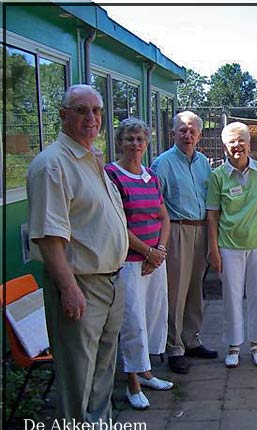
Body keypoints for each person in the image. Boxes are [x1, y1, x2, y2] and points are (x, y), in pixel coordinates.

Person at [26, 84, 136, 430]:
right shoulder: (52, 164)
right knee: (78, 371)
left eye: (97, 111)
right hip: (81, 284)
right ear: (63, 115)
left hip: (110, 281)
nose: (91, 118)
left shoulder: (90, 159)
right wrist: (69, 289)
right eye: (81, 110)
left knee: (104, 364)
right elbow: (49, 237)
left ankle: (100, 429)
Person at [105, 118, 173, 410]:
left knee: (154, 316)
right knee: (132, 321)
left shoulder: (150, 176)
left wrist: (159, 251)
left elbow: (164, 217)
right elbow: (117, 223)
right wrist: (147, 252)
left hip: (154, 261)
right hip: (129, 262)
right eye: (129, 138)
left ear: (147, 144)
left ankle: (146, 373)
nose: (135, 144)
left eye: (140, 139)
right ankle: (132, 383)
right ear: (119, 142)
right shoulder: (111, 174)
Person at [151, 111, 218, 375]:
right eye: (182, 130)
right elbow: (157, 206)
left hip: (200, 231)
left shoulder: (203, 163)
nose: (187, 134)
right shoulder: (163, 164)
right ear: (173, 133)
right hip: (177, 231)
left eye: (192, 130)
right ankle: (174, 347)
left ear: (199, 135)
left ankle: (192, 340)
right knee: (175, 292)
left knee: (194, 290)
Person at [206, 122, 257, 368]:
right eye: (231, 142)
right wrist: (213, 250)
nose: (237, 145)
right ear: (224, 147)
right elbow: (212, 215)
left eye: (241, 140)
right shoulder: (217, 176)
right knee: (231, 296)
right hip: (229, 245)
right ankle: (234, 346)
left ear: (249, 143)